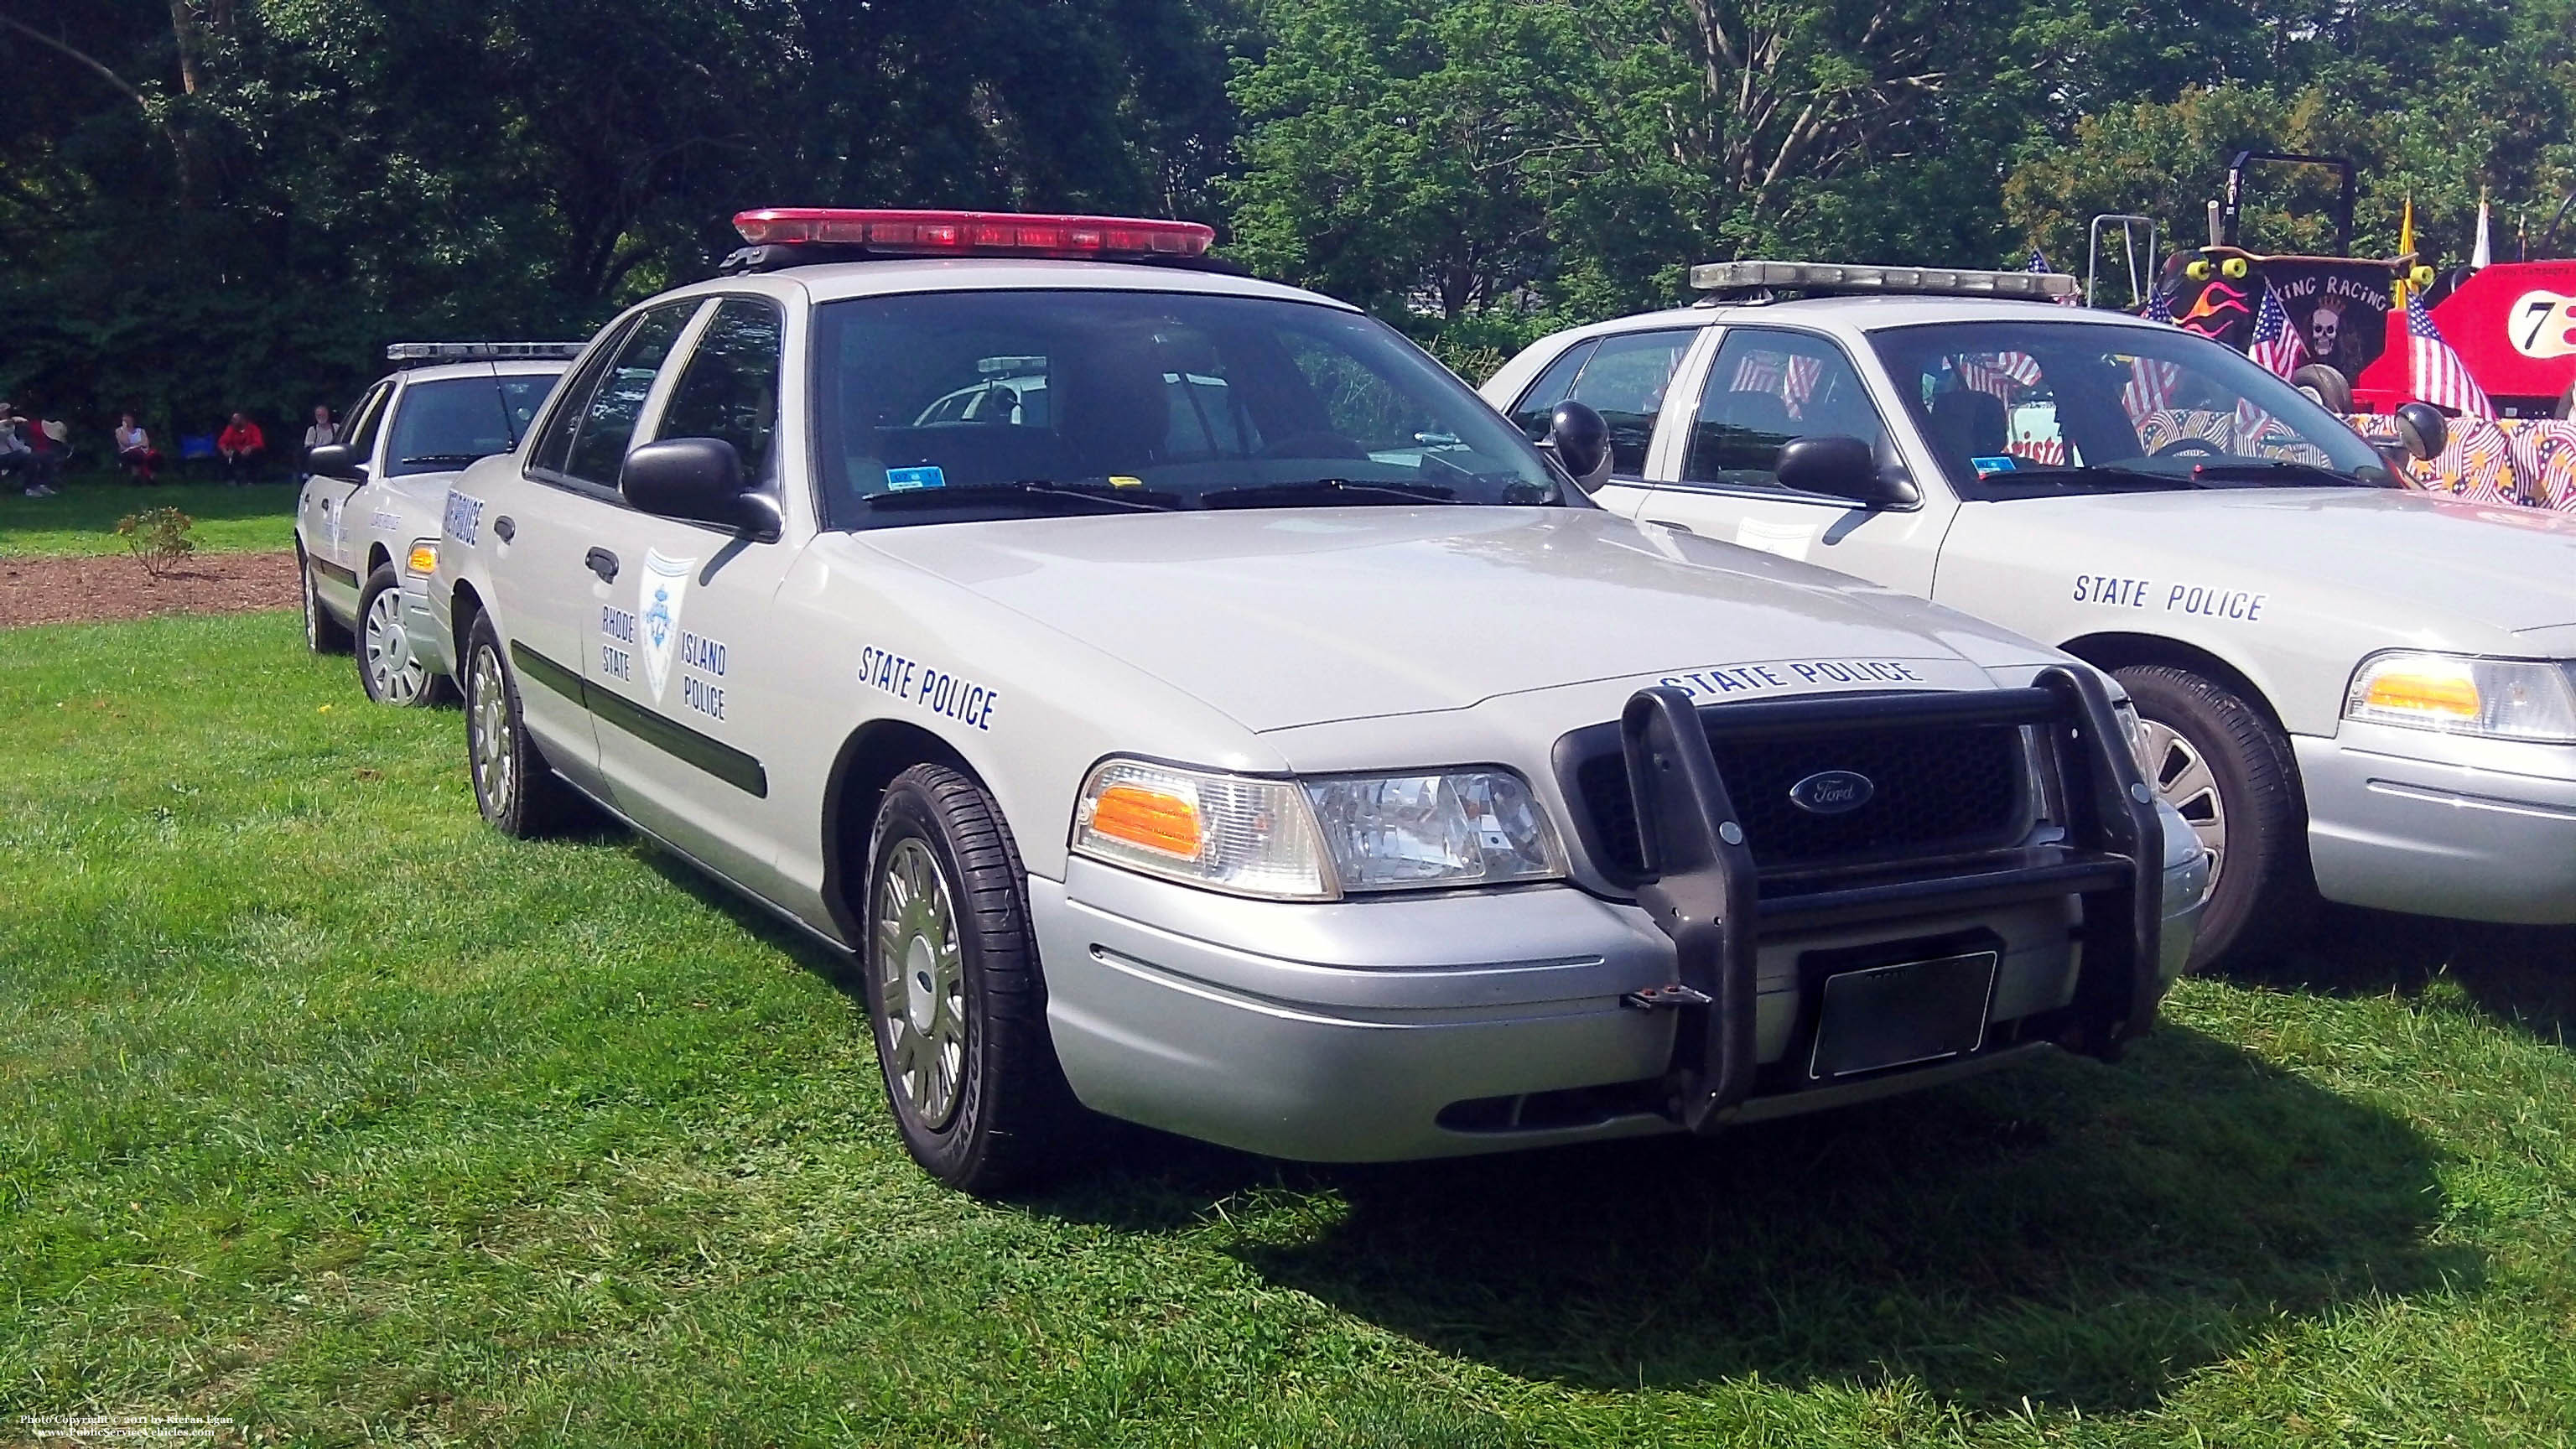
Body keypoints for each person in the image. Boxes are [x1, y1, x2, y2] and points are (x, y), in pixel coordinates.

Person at [0, 403, 39, 496]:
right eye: (2, 412)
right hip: (2, 457)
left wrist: (27, 449)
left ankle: (38, 485)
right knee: (29, 458)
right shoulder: (5, 426)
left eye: (5, 412)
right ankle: (29, 488)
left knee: (40, 457)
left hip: (11, 456)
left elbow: (16, 445)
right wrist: (13, 420)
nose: (4, 414)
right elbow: (4, 431)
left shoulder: (8, 427)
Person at [217, 411, 266, 484]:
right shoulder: (230, 428)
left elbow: (259, 443)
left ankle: (251, 480)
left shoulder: (253, 428)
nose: (232, 421)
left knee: (256, 454)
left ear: (243, 420)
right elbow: (222, 442)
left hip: (249, 452)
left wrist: (250, 448)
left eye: (235, 420)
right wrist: (224, 450)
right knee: (225, 456)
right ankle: (230, 479)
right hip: (234, 452)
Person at [116, 413, 163, 485]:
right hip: (127, 452)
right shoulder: (119, 431)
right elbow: (126, 443)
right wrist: (125, 429)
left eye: (127, 417)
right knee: (135, 455)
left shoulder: (141, 431)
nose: (125, 419)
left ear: (132, 419)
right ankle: (137, 478)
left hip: (142, 451)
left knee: (155, 455)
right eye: (124, 418)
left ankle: (152, 478)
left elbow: (146, 443)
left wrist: (135, 445)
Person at [299, 404, 336, 482]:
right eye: (318, 415)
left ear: (328, 415)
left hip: (333, 460)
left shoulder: (336, 428)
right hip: (318, 462)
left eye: (323, 414)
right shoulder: (312, 430)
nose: (321, 416)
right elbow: (308, 448)